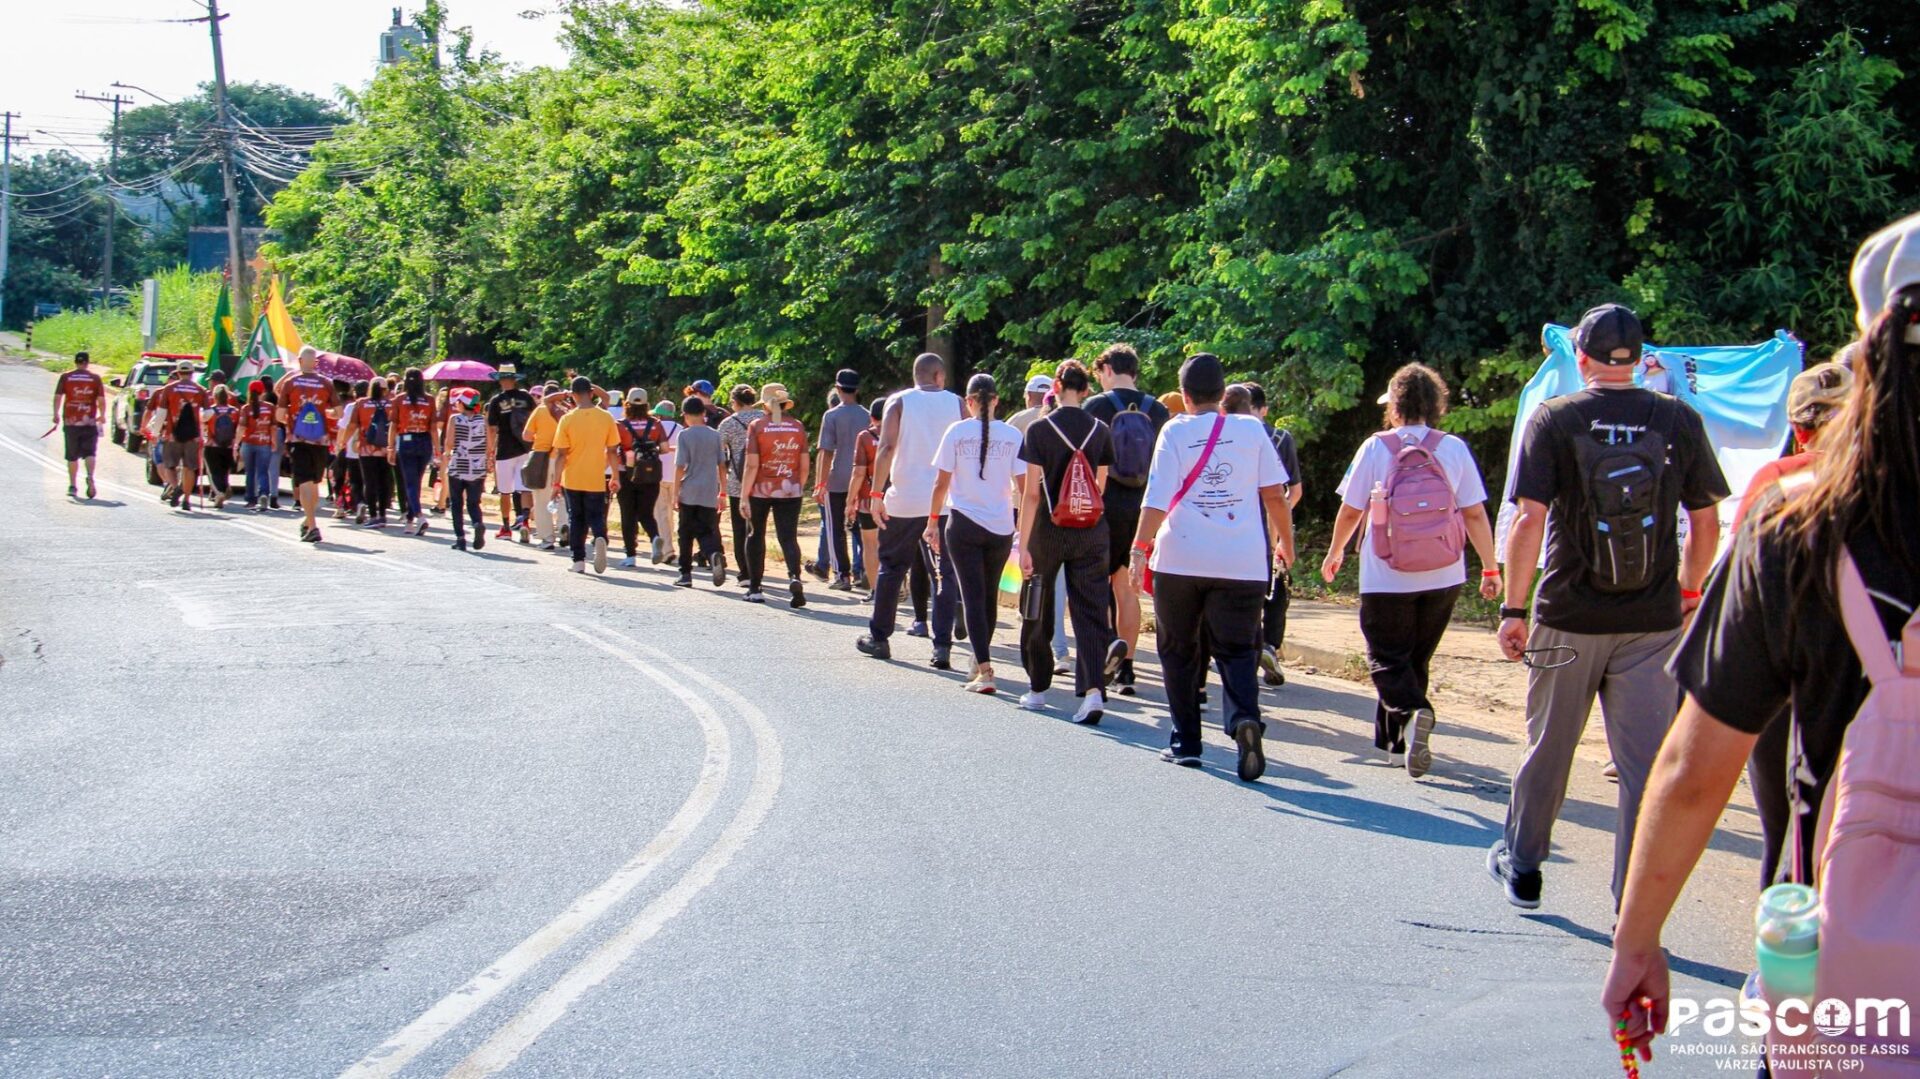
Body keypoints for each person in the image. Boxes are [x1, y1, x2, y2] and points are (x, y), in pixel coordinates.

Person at [1605, 218, 1920, 1064]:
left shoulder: (1803, 527)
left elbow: (1695, 768)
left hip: (1850, 978)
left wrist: (1638, 941)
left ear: (1869, 350)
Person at [1490, 303, 1730, 910]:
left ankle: (1523, 867)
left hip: (1568, 616)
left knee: (1549, 748)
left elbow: (1528, 520)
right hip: (1651, 622)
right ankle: (1632, 900)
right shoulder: (1677, 417)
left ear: (1582, 357)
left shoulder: (1555, 417)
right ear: (1642, 359)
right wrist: (1689, 592)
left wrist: (1514, 610)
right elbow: (1707, 522)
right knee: (1645, 768)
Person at [1320, 364, 1502, 777]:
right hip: (1445, 572)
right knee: (1415, 657)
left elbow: (1350, 510)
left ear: (1395, 407)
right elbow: (1474, 514)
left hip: (1386, 573)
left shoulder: (1375, 448)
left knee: (1387, 657)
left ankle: (1413, 711)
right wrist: (1490, 568)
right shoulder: (1453, 448)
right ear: (1436, 405)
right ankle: (1394, 745)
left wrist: (1336, 551)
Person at [1130, 352, 1295, 779]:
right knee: (1238, 650)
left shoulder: (1174, 430)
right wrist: (1286, 544)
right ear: (1223, 394)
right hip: (1242, 561)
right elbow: (1275, 495)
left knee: (1178, 649)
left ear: (1184, 396)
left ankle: (1186, 742)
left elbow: (1156, 498)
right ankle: (1244, 719)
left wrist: (1138, 549)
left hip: (1180, 560)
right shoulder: (1251, 429)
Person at [1723, 360, 1852, 886]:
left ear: (1798, 428)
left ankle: (1779, 925)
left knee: (1781, 828)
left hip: (1781, 670)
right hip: (1864, 682)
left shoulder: (1777, 480)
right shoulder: (1892, 485)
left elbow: (1739, 579)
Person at [1014, 359, 1122, 721]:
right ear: (1087, 390)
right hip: (1091, 529)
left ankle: (1037, 688)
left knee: (1037, 605)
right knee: (1090, 609)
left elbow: (1031, 494)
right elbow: (1100, 485)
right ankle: (1093, 693)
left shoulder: (1039, 430)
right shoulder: (1100, 430)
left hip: (1048, 528)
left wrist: (1023, 544)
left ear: (1055, 388)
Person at [857, 354, 965, 663]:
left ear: (916, 375)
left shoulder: (899, 401)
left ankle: (879, 637)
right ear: (939, 376)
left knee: (892, 567)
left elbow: (887, 447)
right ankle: (942, 646)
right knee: (943, 574)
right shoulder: (958, 404)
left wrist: (876, 493)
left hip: (904, 498)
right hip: (944, 501)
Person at [927, 373, 1022, 694]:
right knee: (988, 596)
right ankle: (980, 659)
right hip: (1001, 525)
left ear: (968, 402)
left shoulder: (956, 432)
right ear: (995, 400)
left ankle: (985, 669)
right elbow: (1024, 488)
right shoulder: (1012, 435)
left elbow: (941, 483)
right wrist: (1023, 529)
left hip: (963, 522)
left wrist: (931, 522)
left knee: (972, 597)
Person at [1084, 343, 1170, 696]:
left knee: (1095, 584)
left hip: (1103, 505)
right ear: (1134, 371)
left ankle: (1107, 649)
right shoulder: (1159, 410)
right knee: (1127, 587)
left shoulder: (1096, 407)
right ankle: (1128, 671)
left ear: (1106, 369)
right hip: (1144, 507)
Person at [1007, 374, 1070, 673]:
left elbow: (1028, 490)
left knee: (1031, 572)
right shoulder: (1079, 425)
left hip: (1028, 508)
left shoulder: (1023, 424)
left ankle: (1036, 637)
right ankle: (1061, 650)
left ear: (1027, 394)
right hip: (1072, 513)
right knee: (1058, 583)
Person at [1242, 382, 1303, 686]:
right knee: (1277, 586)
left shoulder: (1229, 436)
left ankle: (1248, 645)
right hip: (1272, 522)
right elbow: (1295, 491)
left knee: (1241, 588)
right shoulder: (1280, 438)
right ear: (1263, 409)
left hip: (1238, 523)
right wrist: (1280, 519)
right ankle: (1269, 645)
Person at [741, 383, 811, 607]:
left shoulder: (757, 426)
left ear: (766, 405)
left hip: (760, 490)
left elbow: (752, 465)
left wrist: (744, 495)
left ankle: (755, 588)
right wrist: (796, 486)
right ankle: (794, 576)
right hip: (790, 489)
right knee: (788, 537)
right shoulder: (797, 427)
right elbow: (804, 465)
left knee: (755, 535)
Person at [550, 375, 622, 574]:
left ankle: (578, 560)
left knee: (576, 518)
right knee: (596, 515)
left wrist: (556, 483)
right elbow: (612, 451)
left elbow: (561, 454)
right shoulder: (605, 417)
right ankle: (599, 537)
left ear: (572, 395)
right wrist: (615, 476)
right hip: (595, 477)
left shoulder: (567, 419)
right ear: (591, 393)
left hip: (572, 477)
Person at [275, 347, 337, 543]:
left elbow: (279, 415)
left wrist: (294, 419)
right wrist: (323, 414)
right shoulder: (326, 383)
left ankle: (312, 525)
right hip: (321, 440)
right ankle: (308, 521)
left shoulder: (291, 382)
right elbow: (339, 413)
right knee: (315, 482)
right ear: (316, 363)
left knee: (304, 482)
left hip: (298, 439)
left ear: (300, 361)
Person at [817, 370, 869, 592]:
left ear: (838, 389)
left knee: (835, 528)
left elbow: (826, 452)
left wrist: (820, 484)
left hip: (837, 478)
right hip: (863, 480)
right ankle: (865, 571)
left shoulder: (831, 416)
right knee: (863, 528)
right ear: (857, 389)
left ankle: (842, 575)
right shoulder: (868, 415)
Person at [673, 396, 730, 588]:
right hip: (709, 490)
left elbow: (680, 466)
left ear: (685, 415)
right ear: (704, 413)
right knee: (706, 529)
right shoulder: (715, 435)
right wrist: (723, 492)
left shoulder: (684, 435)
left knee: (685, 532)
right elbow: (722, 465)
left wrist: (675, 493)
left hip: (689, 489)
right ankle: (713, 554)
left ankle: (685, 574)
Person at [718, 384, 766, 586]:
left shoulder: (728, 423)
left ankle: (745, 573)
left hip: (738, 481)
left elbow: (719, 453)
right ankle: (758, 572)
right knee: (758, 530)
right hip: (764, 482)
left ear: (735, 402)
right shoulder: (765, 418)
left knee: (740, 530)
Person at [614, 388, 669, 567]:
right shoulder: (655, 424)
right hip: (650, 473)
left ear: (627, 404)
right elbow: (665, 448)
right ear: (646, 405)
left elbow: (613, 450)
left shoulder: (620, 425)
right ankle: (654, 537)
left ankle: (630, 555)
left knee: (627, 514)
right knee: (646, 513)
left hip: (626, 473)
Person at [150, 361, 210, 512]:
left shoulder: (169, 389)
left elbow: (161, 413)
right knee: (189, 468)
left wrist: (155, 432)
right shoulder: (200, 390)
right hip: (193, 436)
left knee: (170, 465)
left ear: (178, 373)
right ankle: (187, 500)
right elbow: (208, 413)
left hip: (172, 434)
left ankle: (176, 487)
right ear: (192, 373)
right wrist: (201, 420)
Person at [486, 365, 535, 543]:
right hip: (525, 448)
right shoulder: (526, 397)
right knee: (525, 488)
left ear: (500, 379)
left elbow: (492, 429)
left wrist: (490, 452)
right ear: (515, 379)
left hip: (505, 450)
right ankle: (525, 522)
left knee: (505, 492)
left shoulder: (496, 401)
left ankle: (506, 527)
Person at [441, 387, 493, 551]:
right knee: (473, 502)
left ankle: (461, 538)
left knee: (456, 503)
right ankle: (477, 523)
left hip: (458, 465)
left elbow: (449, 443)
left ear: (462, 404)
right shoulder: (483, 420)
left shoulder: (455, 419)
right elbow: (489, 445)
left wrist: (446, 454)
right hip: (477, 467)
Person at [522, 382, 570, 550]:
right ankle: (564, 525)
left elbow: (526, 435)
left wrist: (540, 437)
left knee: (542, 500)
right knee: (562, 496)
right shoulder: (566, 412)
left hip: (542, 459)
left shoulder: (540, 410)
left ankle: (547, 538)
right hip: (564, 459)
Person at [390, 369, 438, 535]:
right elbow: (433, 427)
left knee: (410, 482)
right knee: (416, 481)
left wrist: (390, 447)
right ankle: (410, 521)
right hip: (425, 441)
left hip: (406, 441)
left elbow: (393, 425)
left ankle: (418, 516)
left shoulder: (399, 399)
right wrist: (437, 449)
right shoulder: (429, 399)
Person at [845, 398, 886, 593]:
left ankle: (876, 590)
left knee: (870, 544)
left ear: (872, 417)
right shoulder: (901, 435)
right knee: (895, 543)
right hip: (896, 498)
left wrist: (850, 501)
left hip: (868, 499)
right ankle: (897, 583)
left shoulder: (865, 437)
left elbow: (859, 472)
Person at [52, 351, 105, 499]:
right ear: (87, 362)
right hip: (89, 421)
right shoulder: (95, 378)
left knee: (72, 456)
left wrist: (55, 414)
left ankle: (73, 485)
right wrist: (102, 415)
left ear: (75, 362)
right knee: (90, 453)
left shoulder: (66, 377)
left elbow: (57, 397)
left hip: (71, 421)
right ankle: (90, 476)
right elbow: (101, 399)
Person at [346, 378, 392, 528]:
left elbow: (352, 425)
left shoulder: (361, 403)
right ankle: (383, 515)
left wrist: (343, 442)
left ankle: (373, 516)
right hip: (386, 449)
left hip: (366, 449)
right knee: (384, 482)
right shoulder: (391, 404)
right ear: (385, 390)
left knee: (369, 482)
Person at [650, 400, 683, 564]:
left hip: (658, 476)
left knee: (662, 514)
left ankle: (667, 550)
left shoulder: (654, 428)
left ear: (659, 414)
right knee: (678, 514)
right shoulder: (681, 429)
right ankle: (682, 547)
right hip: (678, 477)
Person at [201, 384, 242, 508]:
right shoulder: (234, 411)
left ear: (214, 397)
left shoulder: (211, 411)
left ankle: (219, 493)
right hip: (228, 446)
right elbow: (238, 428)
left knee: (213, 471)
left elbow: (202, 424)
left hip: (212, 445)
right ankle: (223, 488)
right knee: (224, 471)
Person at [240, 379, 277, 512]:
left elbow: (241, 427)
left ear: (249, 392)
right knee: (263, 471)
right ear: (263, 392)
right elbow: (273, 427)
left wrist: (236, 444)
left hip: (248, 443)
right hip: (264, 442)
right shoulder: (270, 407)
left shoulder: (246, 408)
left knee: (250, 472)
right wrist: (274, 441)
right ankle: (263, 494)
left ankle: (251, 499)